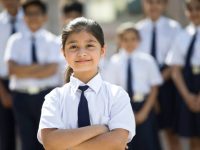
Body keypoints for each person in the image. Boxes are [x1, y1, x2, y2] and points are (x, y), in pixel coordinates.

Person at [37, 17, 135, 150]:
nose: (82, 53)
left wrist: (66, 144)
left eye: (89, 45)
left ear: (102, 50)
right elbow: (50, 142)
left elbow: (117, 142)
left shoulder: (117, 95)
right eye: (73, 46)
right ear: (63, 53)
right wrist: (100, 129)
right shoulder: (54, 98)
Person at [4, 1, 61, 150]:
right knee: (26, 142)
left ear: (45, 17)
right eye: (29, 14)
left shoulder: (53, 41)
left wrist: (24, 69)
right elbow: (11, 70)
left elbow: (51, 70)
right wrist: (39, 67)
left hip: (46, 96)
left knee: (48, 142)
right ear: (24, 17)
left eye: (37, 14)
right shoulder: (15, 41)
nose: (33, 18)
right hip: (21, 98)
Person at [105, 22, 163, 150]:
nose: (129, 43)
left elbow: (154, 88)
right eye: (125, 39)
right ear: (119, 41)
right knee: (127, 145)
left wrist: (144, 112)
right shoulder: (115, 61)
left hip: (145, 107)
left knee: (149, 144)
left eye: (133, 39)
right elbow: (111, 89)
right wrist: (127, 113)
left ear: (139, 40)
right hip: (123, 109)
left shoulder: (147, 60)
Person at [136, 0, 182, 149]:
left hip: (167, 82)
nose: (153, 6)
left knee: (171, 131)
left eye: (158, 2)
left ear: (165, 5)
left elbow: (177, 59)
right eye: (149, 2)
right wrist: (149, 83)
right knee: (147, 131)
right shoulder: (138, 29)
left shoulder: (174, 28)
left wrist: (158, 80)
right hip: (144, 85)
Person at [166, 0, 200, 149]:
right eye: (190, 9)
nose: (194, 13)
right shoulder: (182, 35)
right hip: (187, 88)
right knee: (193, 136)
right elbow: (175, 70)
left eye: (198, 8)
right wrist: (187, 96)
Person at [0, 0, 24, 149]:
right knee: (5, 136)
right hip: (3, 84)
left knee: (32, 135)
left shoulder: (32, 20)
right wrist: (2, 93)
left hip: (28, 85)